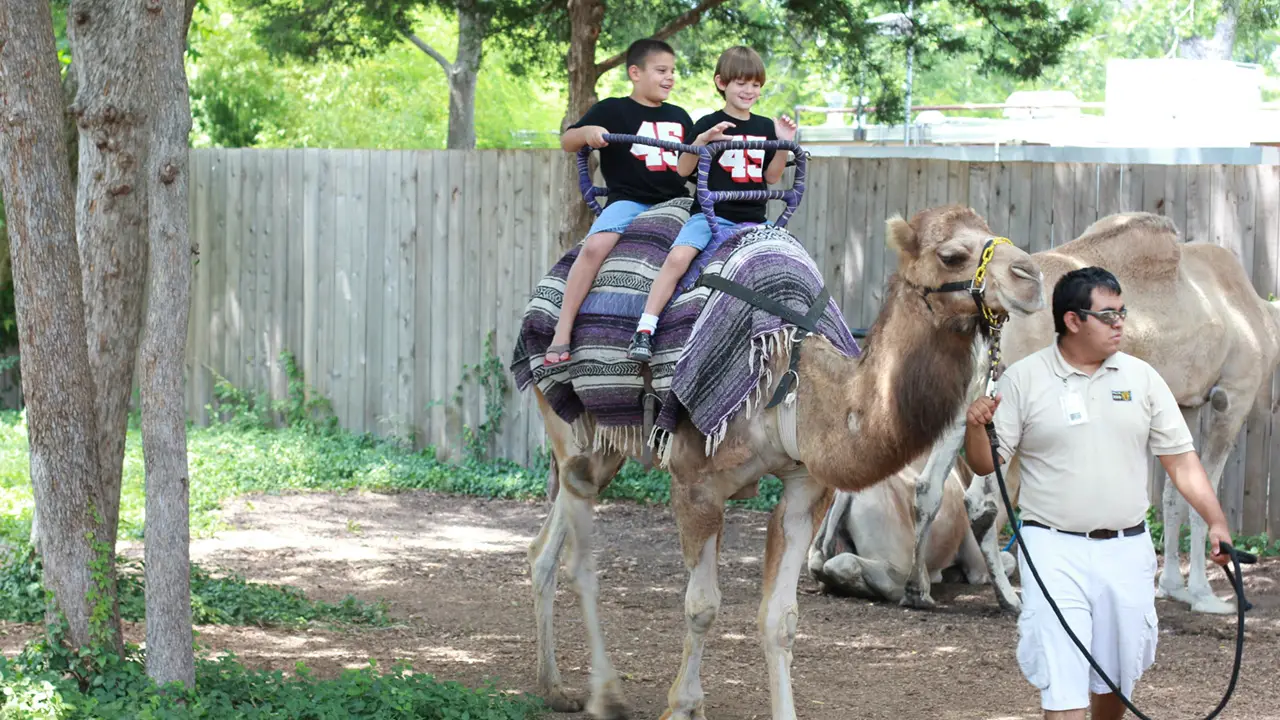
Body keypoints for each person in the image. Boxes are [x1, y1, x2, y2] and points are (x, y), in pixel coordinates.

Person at [963, 266, 1232, 720]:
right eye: (1108, 314)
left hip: (1127, 550)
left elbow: (1182, 461)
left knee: (1116, 678)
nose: (1120, 323)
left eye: (1122, 312)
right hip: (1052, 549)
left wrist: (1217, 521)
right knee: (1063, 679)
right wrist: (976, 428)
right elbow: (985, 463)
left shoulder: (1142, 379)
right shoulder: (1025, 379)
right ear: (1073, 320)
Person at [627, 45, 796, 362]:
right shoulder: (707, 122)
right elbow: (682, 169)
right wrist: (701, 141)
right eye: (741, 83)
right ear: (722, 83)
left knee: (788, 258)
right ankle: (645, 327)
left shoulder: (764, 127)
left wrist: (784, 142)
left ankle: (791, 330)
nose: (749, 90)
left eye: (755, 84)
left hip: (753, 219)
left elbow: (772, 177)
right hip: (710, 215)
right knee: (678, 258)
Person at [544, 38, 695, 366]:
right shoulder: (612, 109)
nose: (669, 77)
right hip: (630, 201)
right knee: (595, 247)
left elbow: (693, 167)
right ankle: (563, 330)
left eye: (672, 71)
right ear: (635, 73)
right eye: (661, 70)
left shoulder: (681, 116)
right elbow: (568, 141)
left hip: (676, 201)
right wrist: (588, 132)